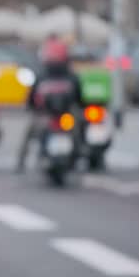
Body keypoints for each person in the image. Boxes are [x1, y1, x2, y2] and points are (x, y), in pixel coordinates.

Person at [16, 35, 81, 173]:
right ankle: (21, 161)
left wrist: (30, 106)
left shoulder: (44, 75)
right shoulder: (68, 76)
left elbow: (32, 96)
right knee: (76, 131)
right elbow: (78, 95)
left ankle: (21, 162)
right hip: (57, 116)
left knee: (30, 134)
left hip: (52, 116)